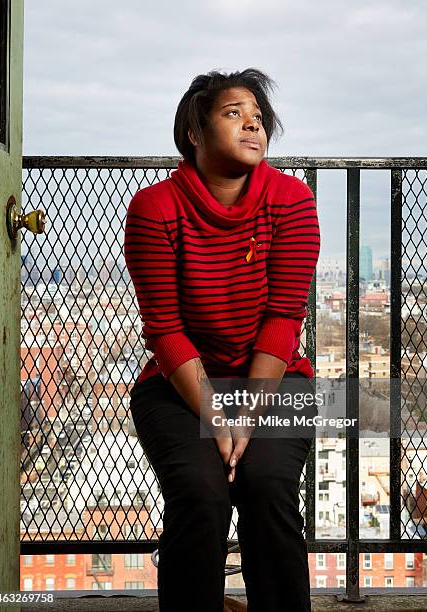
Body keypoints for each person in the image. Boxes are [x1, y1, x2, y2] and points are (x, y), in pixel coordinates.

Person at [123, 68, 320, 612]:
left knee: (269, 489)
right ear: (194, 131)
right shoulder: (154, 208)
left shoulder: (292, 201)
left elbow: (283, 318)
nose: (254, 125)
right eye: (234, 114)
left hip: (276, 383)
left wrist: (246, 416)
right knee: (201, 495)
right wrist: (216, 414)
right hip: (180, 385)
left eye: (258, 117)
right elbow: (163, 328)